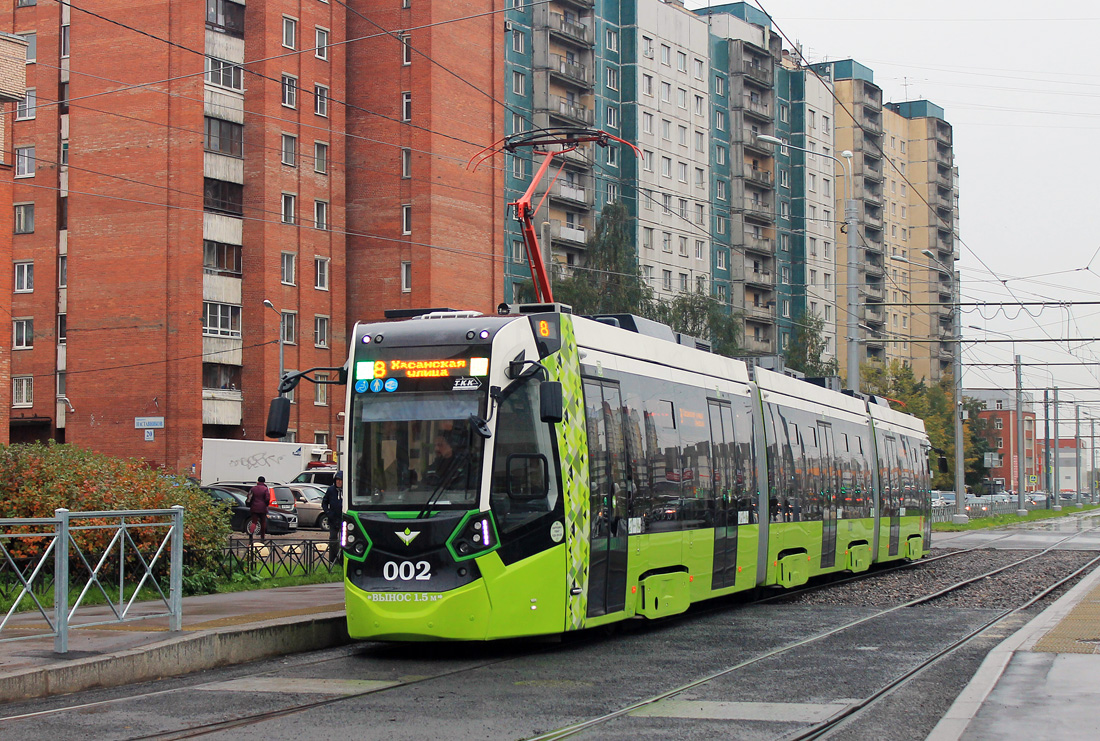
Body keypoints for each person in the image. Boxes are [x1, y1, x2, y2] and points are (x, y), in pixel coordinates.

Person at [322, 471, 344, 564]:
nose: (339, 482)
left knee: (344, 540)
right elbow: (324, 502)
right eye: (337, 480)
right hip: (333, 518)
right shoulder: (331, 490)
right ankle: (333, 560)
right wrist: (328, 512)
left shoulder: (346, 490)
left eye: (341, 480)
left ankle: (342, 559)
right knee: (333, 539)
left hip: (343, 518)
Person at [246, 476, 270, 540]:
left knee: (254, 522)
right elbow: (267, 499)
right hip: (263, 508)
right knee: (263, 522)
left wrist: (250, 505)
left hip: (254, 507)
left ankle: (251, 533)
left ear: (258, 481)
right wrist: (266, 505)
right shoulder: (265, 489)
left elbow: (249, 497)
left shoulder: (253, 488)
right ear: (264, 482)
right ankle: (262, 536)